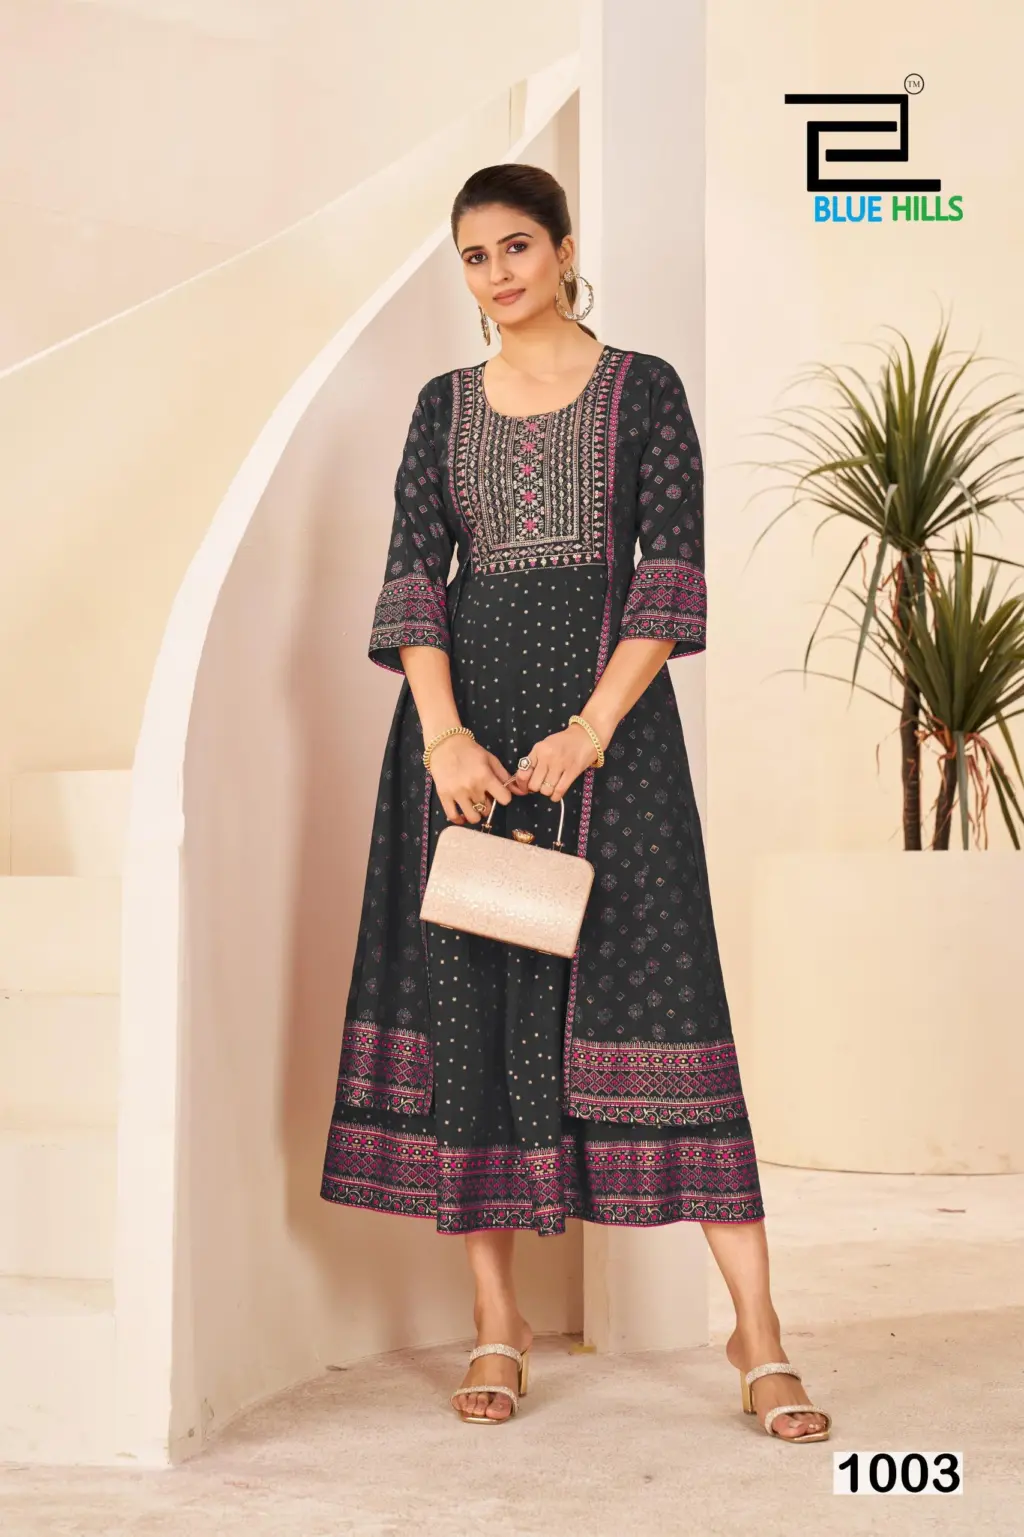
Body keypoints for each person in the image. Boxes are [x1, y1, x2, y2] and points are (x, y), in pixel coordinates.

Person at [320, 162, 831, 1442]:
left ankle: (758, 1331)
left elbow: (669, 574)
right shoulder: (443, 406)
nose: (496, 275)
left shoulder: (641, 388)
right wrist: (444, 737)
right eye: (473, 256)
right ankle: (498, 1323)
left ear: (560, 248)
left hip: (613, 740)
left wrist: (593, 728)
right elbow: (414, 579)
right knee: (475, 1004)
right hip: (466, 746)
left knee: (667, 1001)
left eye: (515, 247)